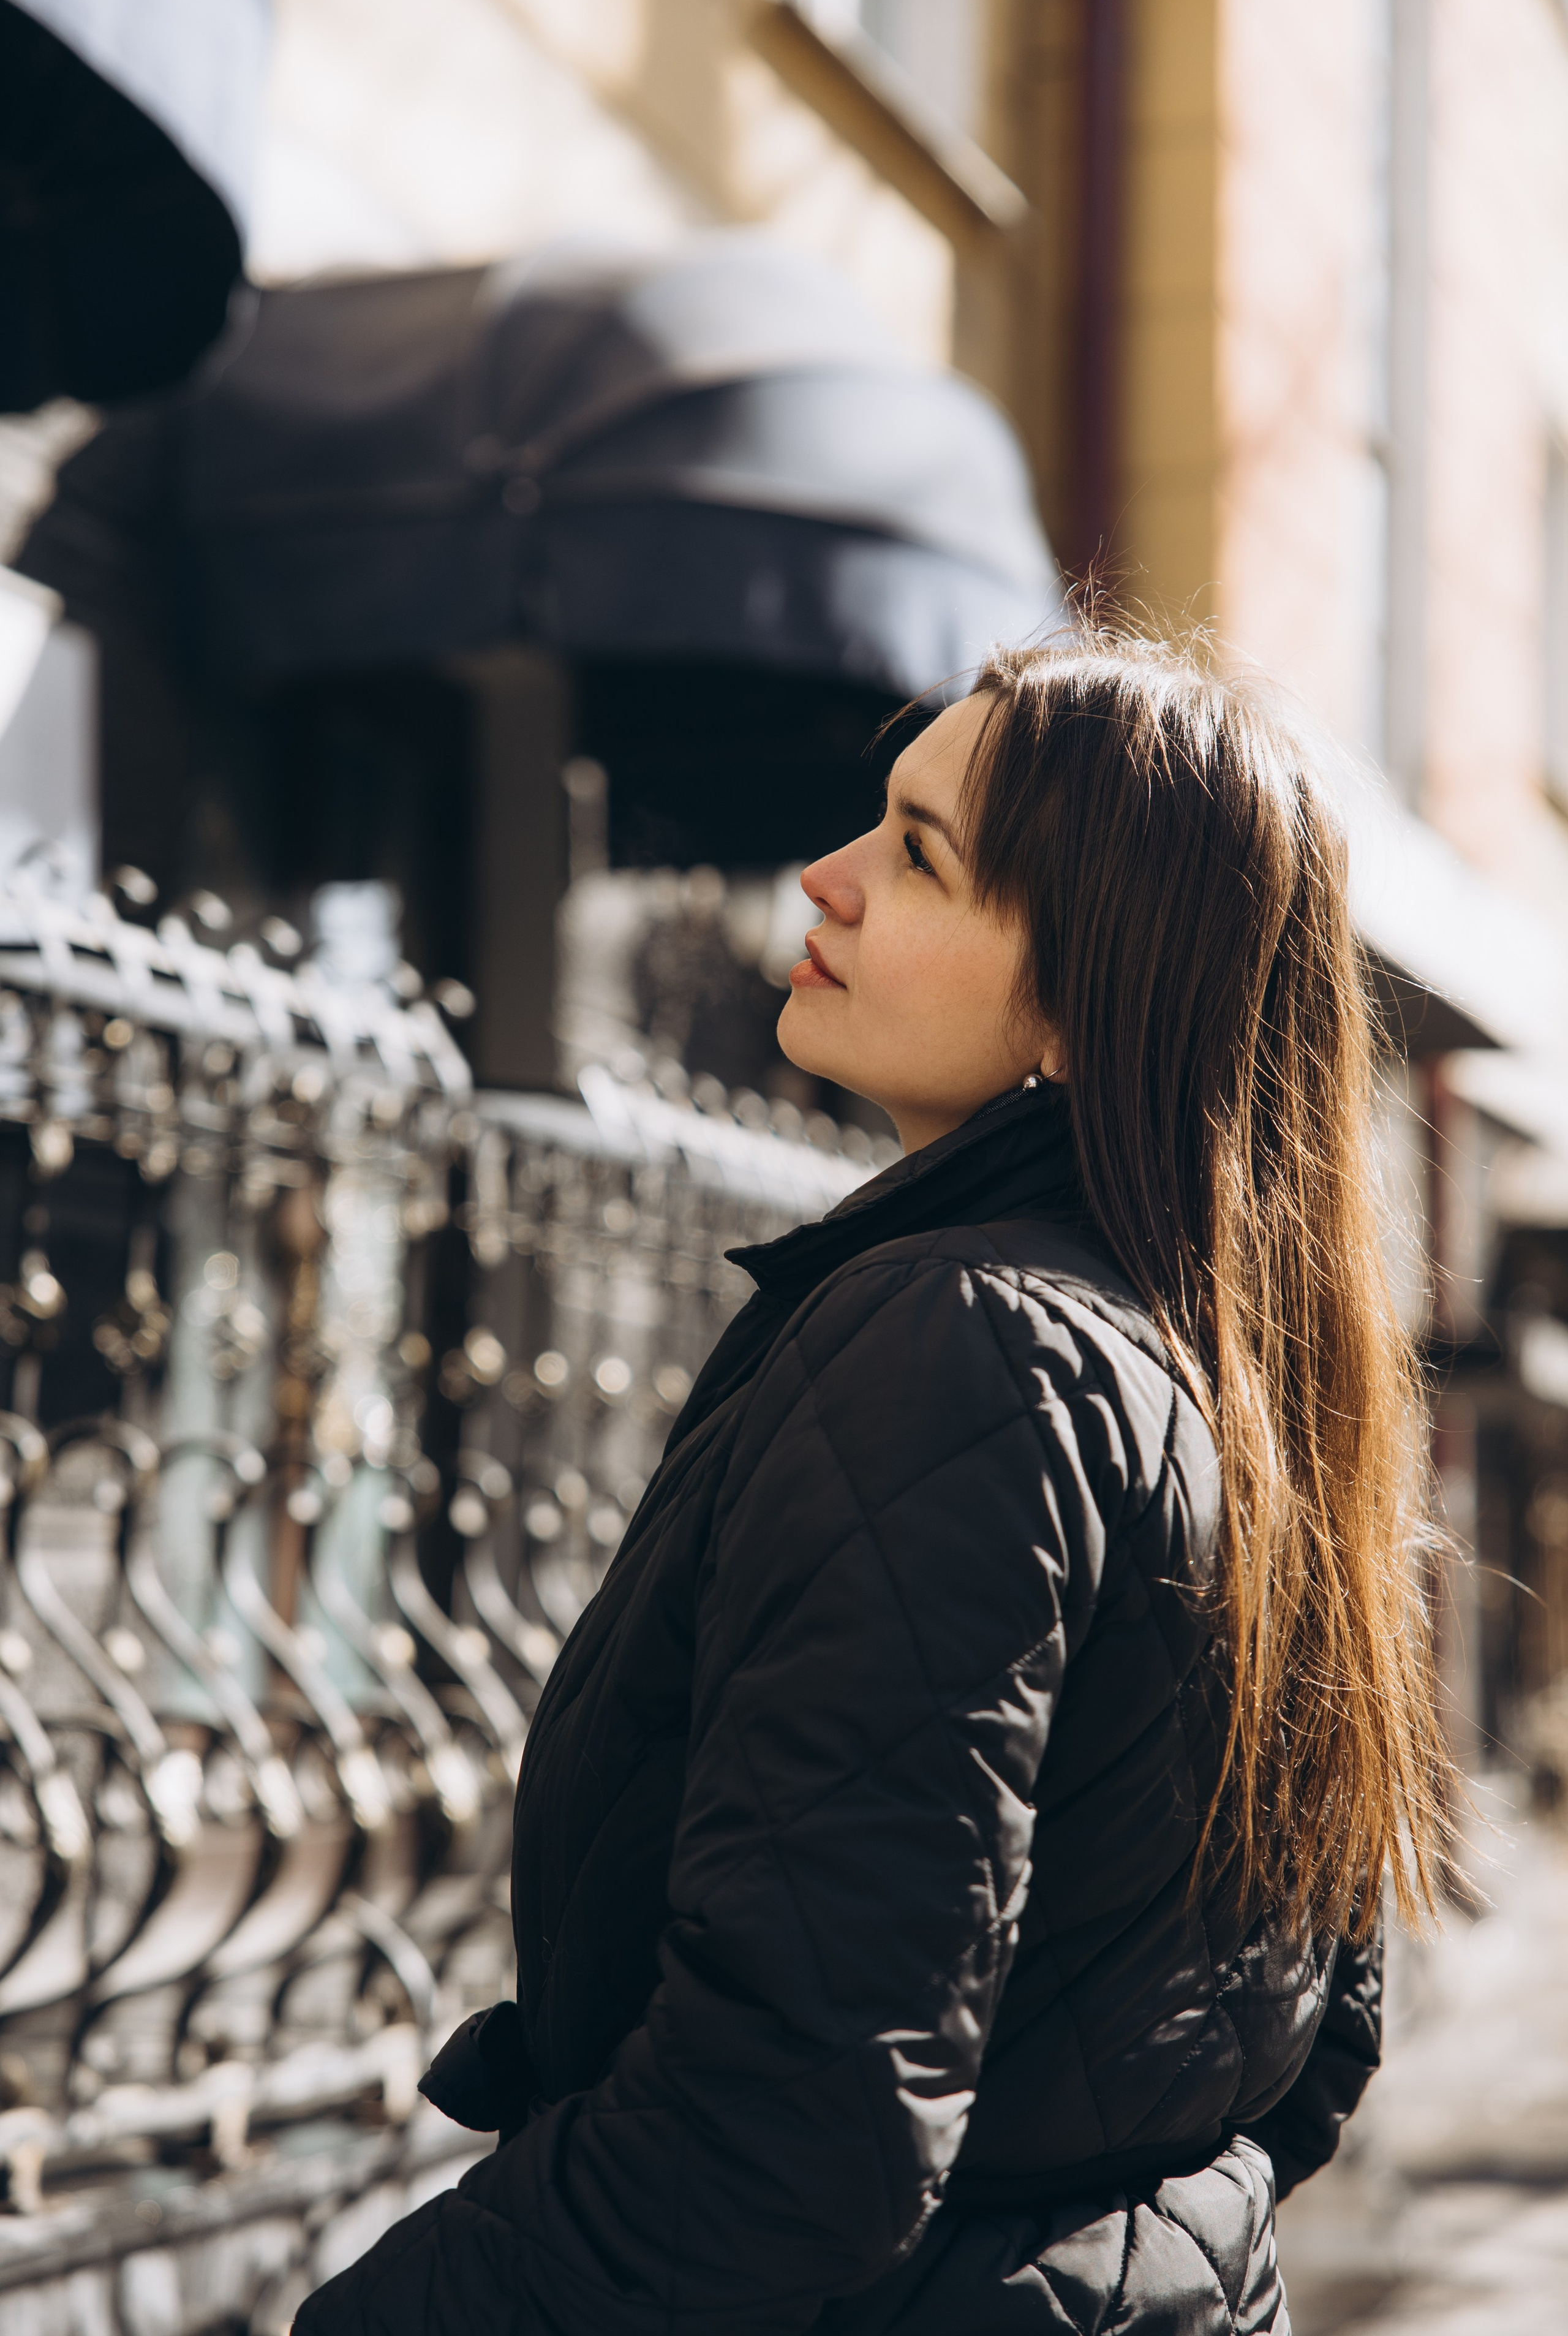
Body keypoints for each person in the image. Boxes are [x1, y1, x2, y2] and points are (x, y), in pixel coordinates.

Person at [295, 635, 1458, 2335]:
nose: (823, 878)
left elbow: (779, 2134)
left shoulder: (969, 1347)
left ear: (1084, 996)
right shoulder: (1240, 1383)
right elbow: (1311, 2052)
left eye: (919, 855)